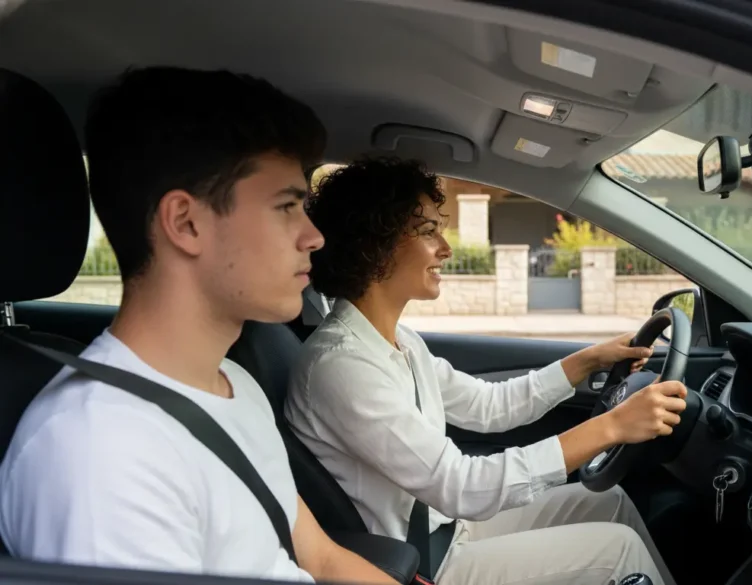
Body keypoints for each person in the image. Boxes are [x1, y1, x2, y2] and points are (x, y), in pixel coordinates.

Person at [0, 67, 397, 585]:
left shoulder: (235, 386)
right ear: (186, 223)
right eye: (286, 207)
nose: (314, 236)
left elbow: (321, 559)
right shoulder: (101, 452)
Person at [285, 156, 688, 585]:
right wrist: (612, 427)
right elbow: (460, 484)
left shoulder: (399, 341)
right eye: (427, 232)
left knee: (612, 503)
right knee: (618, 549)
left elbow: (488, 406)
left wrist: (585, 362)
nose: (445, 248)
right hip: (416, 563)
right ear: (374, 245)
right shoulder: (342, 366)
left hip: (442, 528)